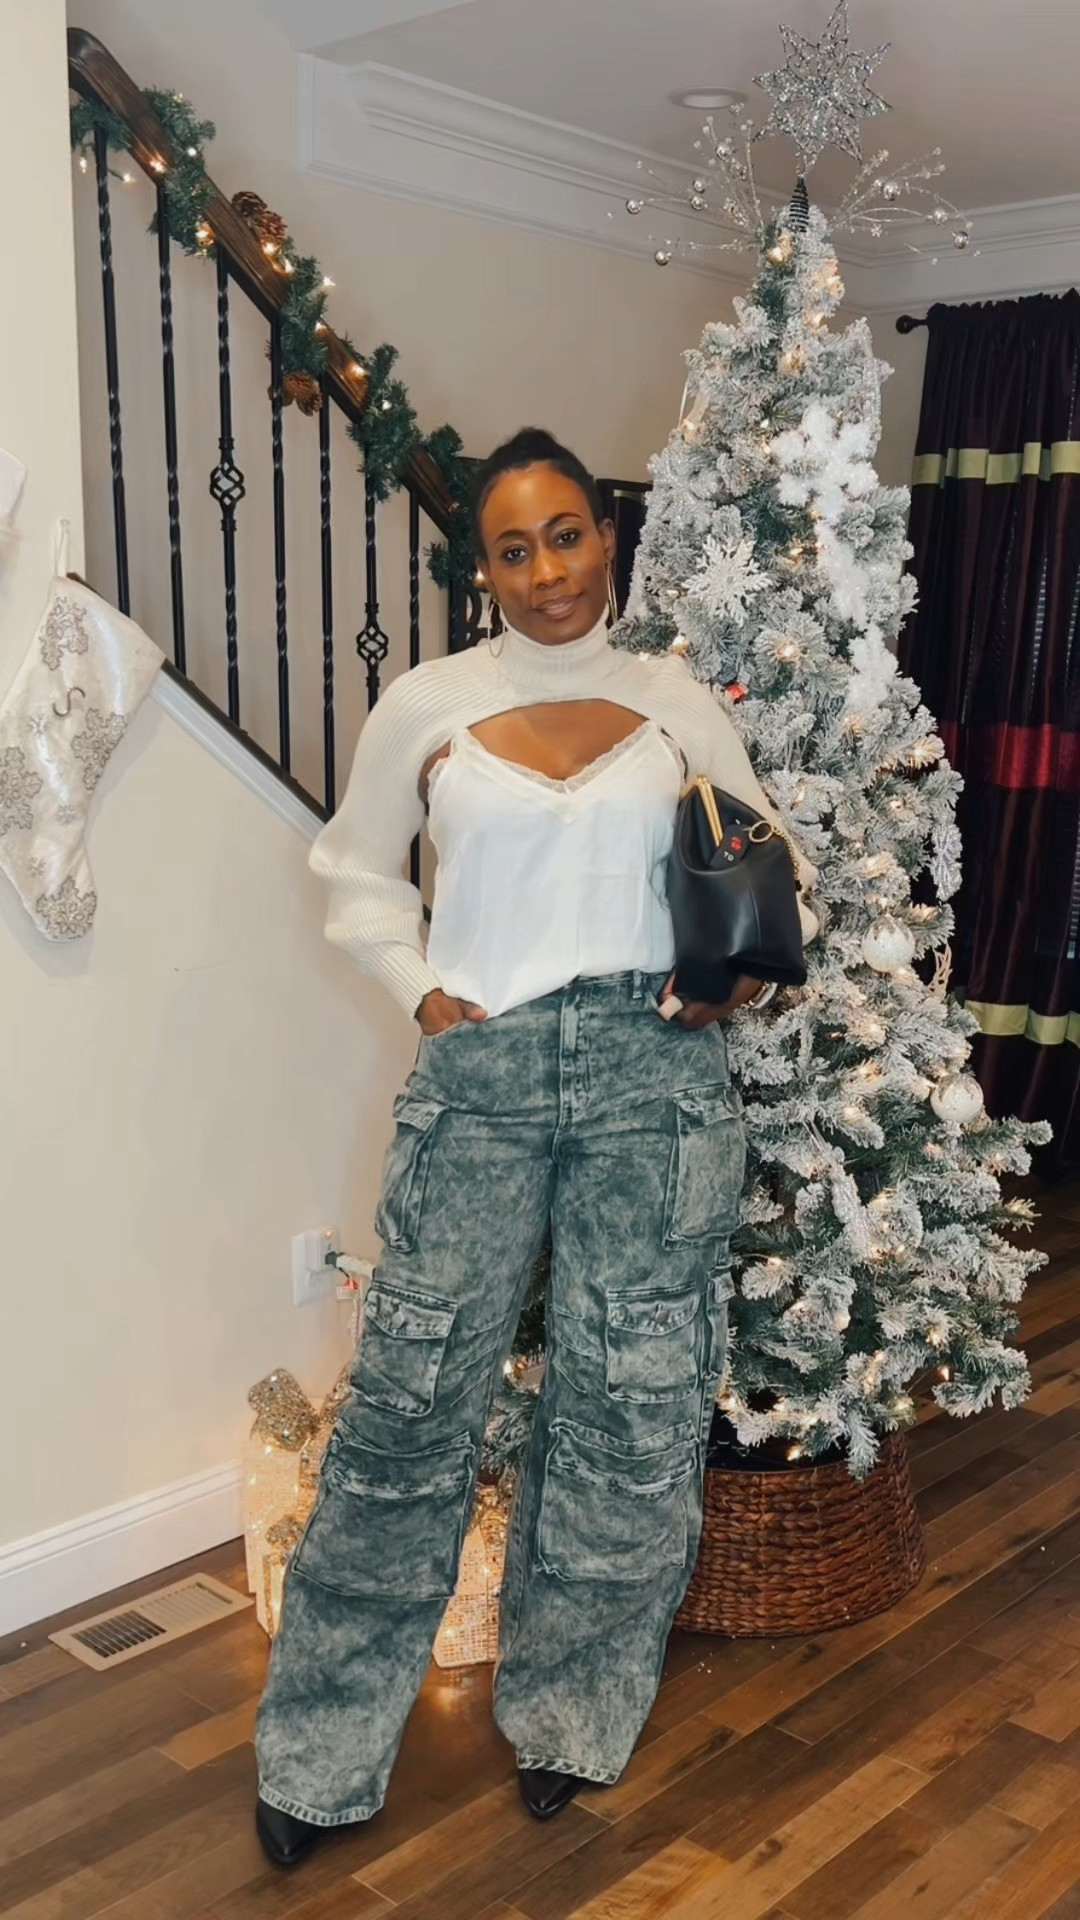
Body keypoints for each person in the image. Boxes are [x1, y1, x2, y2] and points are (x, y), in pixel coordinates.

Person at [253, 428, 817, 1867]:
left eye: (567, 534)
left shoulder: (674, 703)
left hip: (654, 1080)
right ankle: (319, 1756)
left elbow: (773, 870)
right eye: (515, 549)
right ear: (484, 568)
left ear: (604, 536)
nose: (548, 571)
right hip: (484, 1071)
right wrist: (418, 990)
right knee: (406, 1411)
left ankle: (570, 1720)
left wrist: (733, 984)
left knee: (630, 1412)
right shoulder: (428, 706)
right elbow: (354, 872)